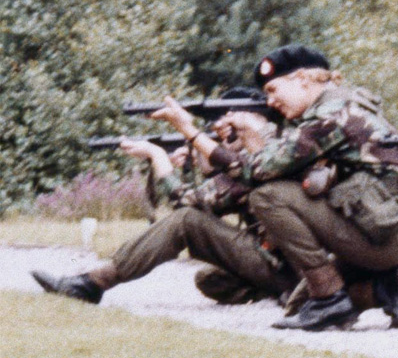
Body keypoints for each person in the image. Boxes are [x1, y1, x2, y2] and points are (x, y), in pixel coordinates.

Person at [175, 45, 398, 332]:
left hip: (384, 238)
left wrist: (192, 133)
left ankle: (330, 300)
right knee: (295, 305)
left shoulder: (331, 117)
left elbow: (255, 172)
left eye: (273, 89)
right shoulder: (345, 104)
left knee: (268, 197)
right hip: (386, 232)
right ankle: (386, 288)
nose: (270, 102)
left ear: (302, 79)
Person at [31, 88, 294, 306]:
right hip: (284, 259)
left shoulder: (262, 150)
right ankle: (285, 292)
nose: (223, 131)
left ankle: (92, 283)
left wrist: (159, 158)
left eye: (229, 123)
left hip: (285, 261)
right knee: (210, 280)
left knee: (186, 221)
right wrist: (195, 158)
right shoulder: (274, 144)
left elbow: (189, 206)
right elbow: (216, 198)